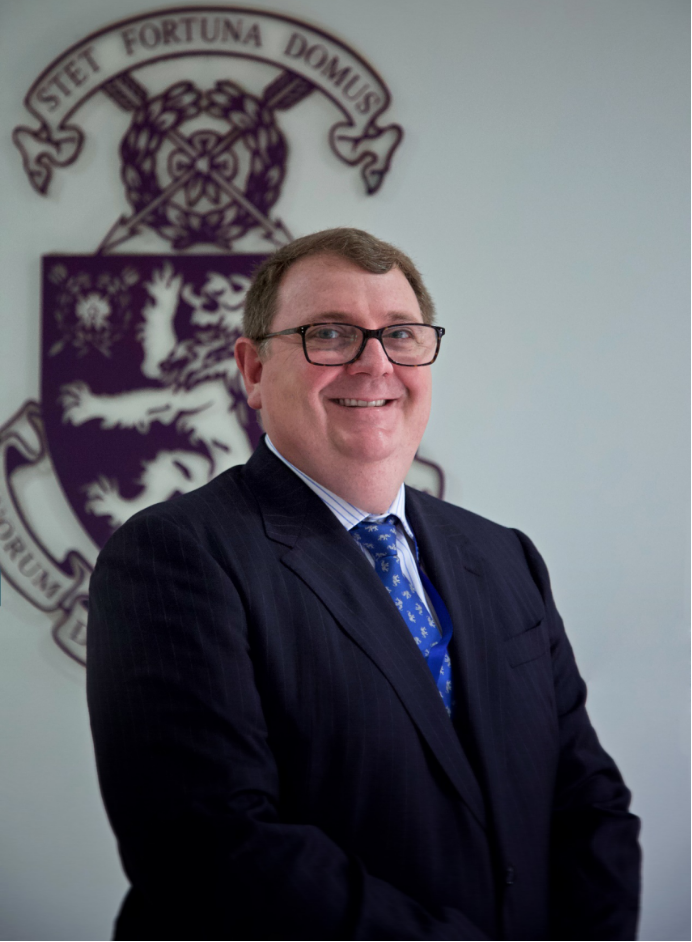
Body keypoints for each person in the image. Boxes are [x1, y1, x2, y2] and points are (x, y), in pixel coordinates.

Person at [86, 227, 641, 941]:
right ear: (252, 370)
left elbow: (589, 802)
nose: (375, 363)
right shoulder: (173, 557)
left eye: (400, 334)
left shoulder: (505, 556)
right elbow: (212, 851)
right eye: (330, 333)